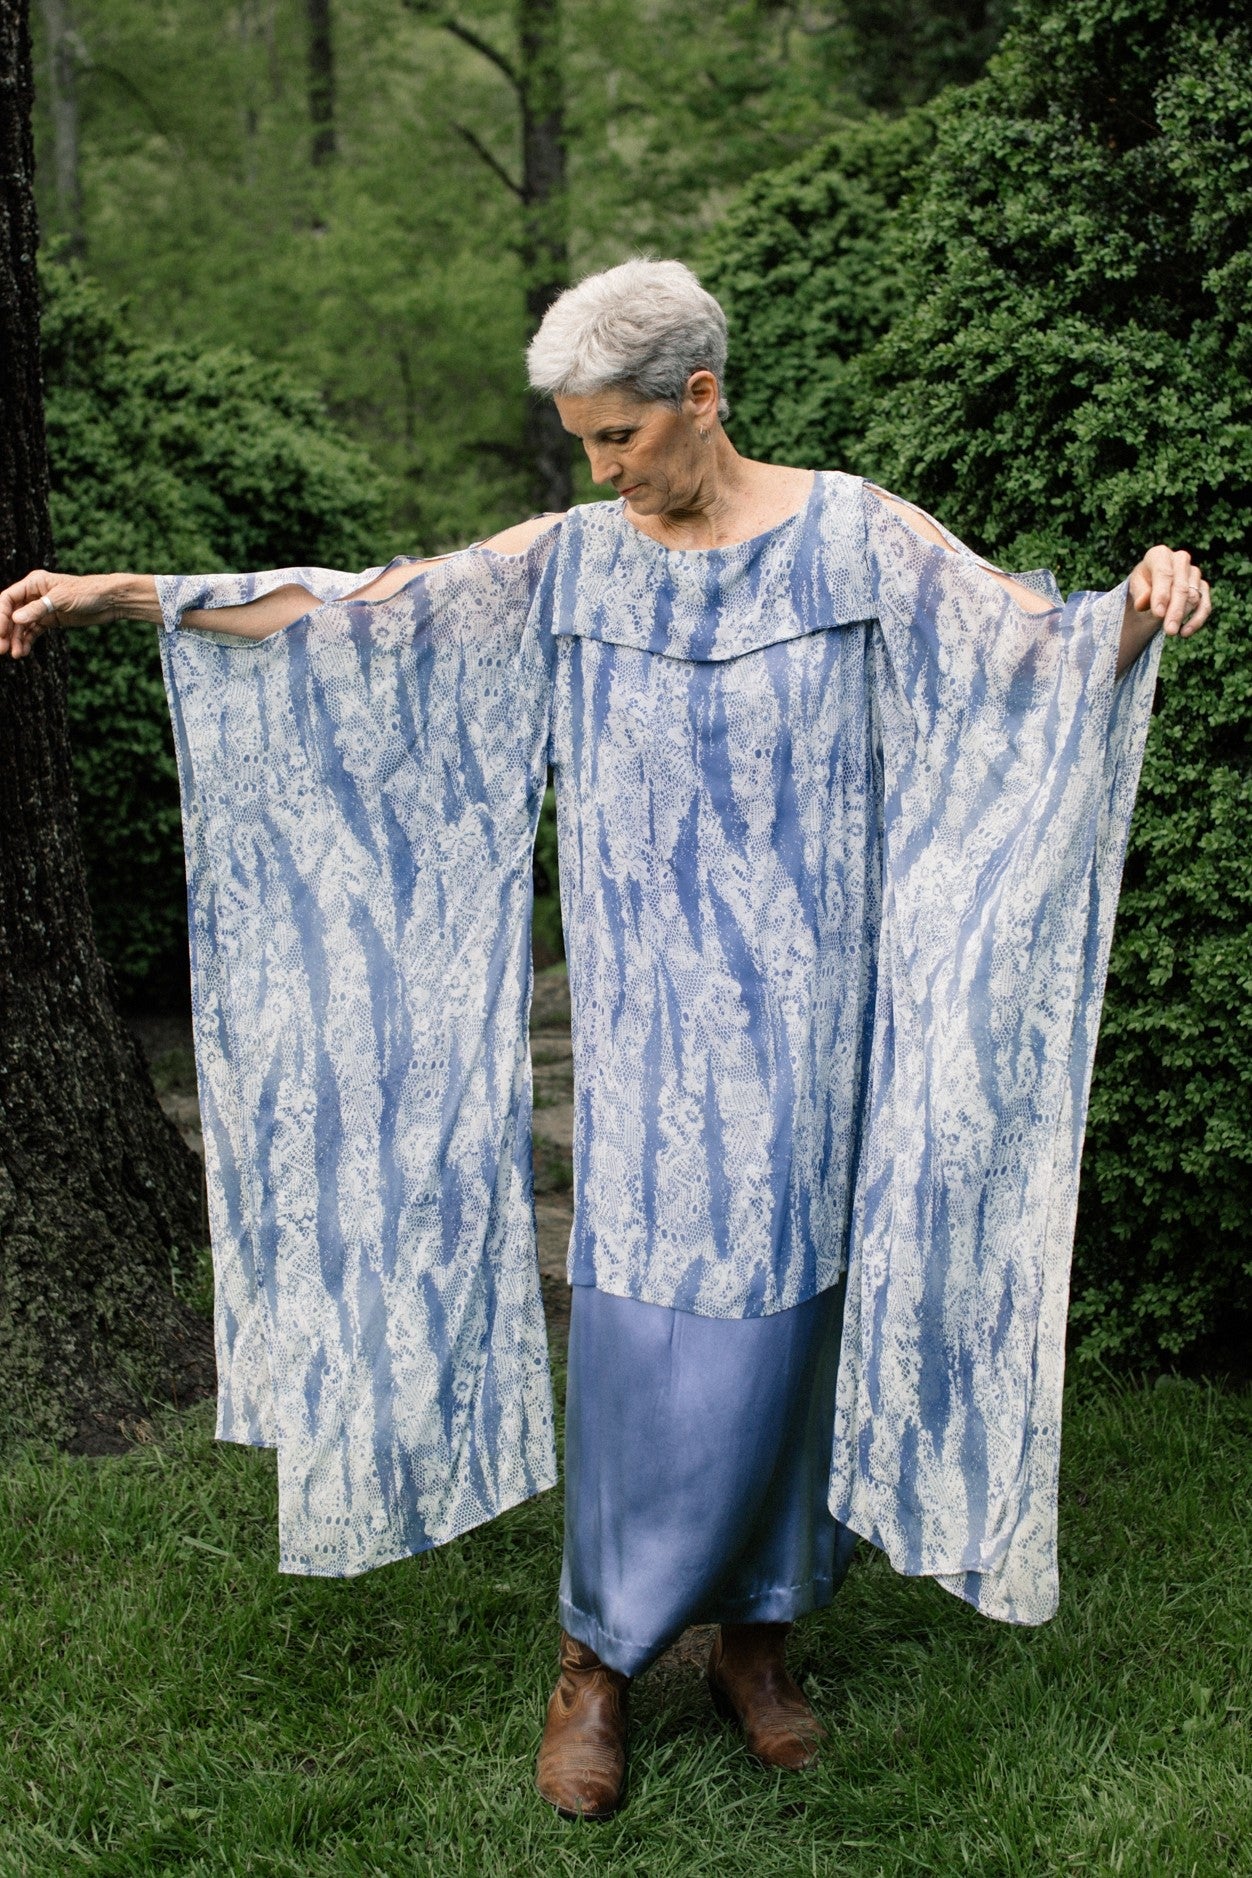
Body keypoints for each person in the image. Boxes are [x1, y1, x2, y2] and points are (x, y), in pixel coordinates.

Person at [0, 259, 1211, 1823]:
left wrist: (1143, 599)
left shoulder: (857, 534)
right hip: (649, 1026)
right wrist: (130, 596)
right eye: (582, 440)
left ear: (701, 397)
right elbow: (364, 618)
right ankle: (597, 1657)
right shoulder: (574, 557)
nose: (600, 467)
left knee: (792, 1316)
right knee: (647, 1338)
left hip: (813, 1015)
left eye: (619, 435)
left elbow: (1028, 657)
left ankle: (755, 1638)